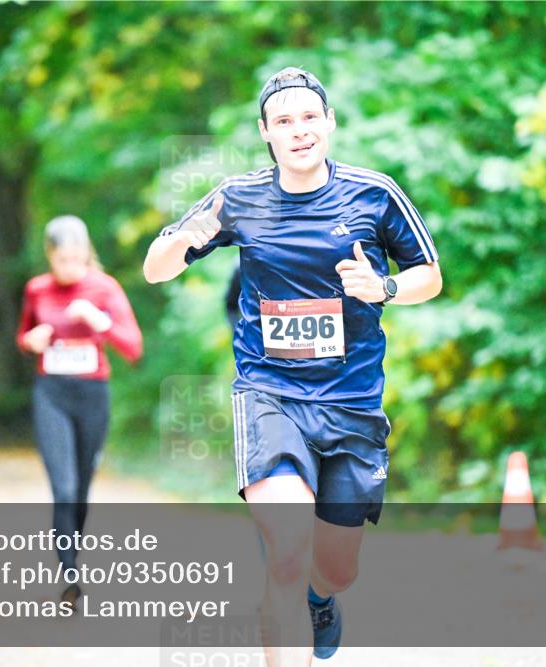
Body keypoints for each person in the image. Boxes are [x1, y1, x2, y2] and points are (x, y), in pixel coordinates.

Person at [143, 67, 442, 665]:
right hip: (269, 393)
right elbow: (155, 268)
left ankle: (321, 600)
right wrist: (186, 235)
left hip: (351, 401)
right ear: (266, 133)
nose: (299, 130)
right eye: (284, 121)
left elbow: (429, 277)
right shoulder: (238, 198)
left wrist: (380, 286)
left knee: (335, 569)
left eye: (309, 117)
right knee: (285, 547)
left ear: (328, 123)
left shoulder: (373, 194)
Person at [16, 215, 143, 609]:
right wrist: (29, 342)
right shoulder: (37, 289)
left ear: (87, 254)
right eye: (63, 259)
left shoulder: (104, 288)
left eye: (78, 258)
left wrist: (98, 320)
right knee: (64, 488)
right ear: (49, 255)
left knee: (82, 490)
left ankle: (73, 559)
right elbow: (24, 335)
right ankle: (69, 575)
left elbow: (133, 348)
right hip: (51, 393)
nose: (71, 267)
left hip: (92, 395)